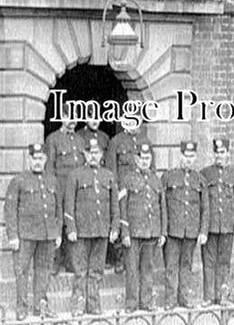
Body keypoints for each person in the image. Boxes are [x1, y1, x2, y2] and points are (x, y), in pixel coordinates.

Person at [4, 143, 62, 320]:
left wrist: (57, 232)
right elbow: (9, 210)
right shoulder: (19, 181)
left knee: (44, 270)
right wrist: (13, 236)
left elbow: (58, 209)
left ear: (45, 160)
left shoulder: (52, 180)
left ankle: (40, 306)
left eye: (41, 158)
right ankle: (21, 307)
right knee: (22, 271)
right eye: (34, 158)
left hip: (47, 235)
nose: (38, 162)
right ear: (29, 159)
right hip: (25, 236)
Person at [64, 138, 120, 314]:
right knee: (80, 271)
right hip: (81, 231)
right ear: (85, 155)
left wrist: (115, 227)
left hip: (102, 230)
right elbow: (68, 204)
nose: (93, 156)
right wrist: (71, 227)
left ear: (102, 154)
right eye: (89, 153)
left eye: (96, 153)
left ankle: (94, 305)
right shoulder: (75, 175)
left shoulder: (108, 176)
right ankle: (78, 306)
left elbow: (114, 205)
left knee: (96, 271)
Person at [119, 143, 167, 312]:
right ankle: (131, 304)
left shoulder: (156, 179)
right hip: (133, 233)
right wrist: (124, 232)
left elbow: (162, 207)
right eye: (141, 158)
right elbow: (122, 207)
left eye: (147, 158)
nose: (145, 161)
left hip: (151, 232)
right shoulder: (128, 179)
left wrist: (163, 232)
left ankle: (146, 302)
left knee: (147, 269)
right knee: (132, 269)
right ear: (136, 159)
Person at [162, 140, 209, 309]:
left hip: (191, 231)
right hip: (173, 230)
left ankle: (184, 298)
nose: (188, 160)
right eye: (185, 156)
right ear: (180, 156)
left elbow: (205, 208)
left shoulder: (200, 180)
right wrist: (164, 230)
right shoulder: (168, 177)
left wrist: (203, 231)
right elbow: (163, 206)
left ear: (195, 157)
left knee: (186, 266)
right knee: (171, 266)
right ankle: (170, 301)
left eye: (191, 156)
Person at [201, 138, 234, 305]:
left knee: (224, 262)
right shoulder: (205, 174)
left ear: (227, 154)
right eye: (216, 152)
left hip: (227, 226)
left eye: (222, 152)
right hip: (210, 226)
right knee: (208, 262)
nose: (219, 156)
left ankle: (222, 297)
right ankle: (208, 297)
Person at [45, 101, 86, 272]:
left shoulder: (80, 140)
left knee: (74, 221)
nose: (72, 122)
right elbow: (49, 167)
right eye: (69, 117)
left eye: (75, 118)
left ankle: (72, 262)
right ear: (62, 117)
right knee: (58, 222)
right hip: (60, 187)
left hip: (77, 189)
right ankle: (55, 261)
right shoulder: (53, 139)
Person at [106, 121, 148, 272]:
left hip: (139, 191)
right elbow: (112, 169)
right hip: (123, 190)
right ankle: (119, 258)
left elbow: (151, 168)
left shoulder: (145, 142)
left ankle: (135, 260)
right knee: (121, 220)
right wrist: (116, 190)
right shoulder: (116, 141)